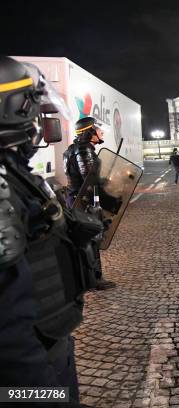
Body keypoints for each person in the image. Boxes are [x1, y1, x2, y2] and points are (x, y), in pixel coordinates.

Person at [0, 56, 102, 406]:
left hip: (49, 339)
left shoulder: (14, 174)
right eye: (35, 110)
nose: (39, 123)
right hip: (32, 360)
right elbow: (7, 328)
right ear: (15, 111)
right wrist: (40, 392)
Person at [63, 116, 116, 290]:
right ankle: (95, 279)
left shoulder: (74, 148)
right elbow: (90, 179)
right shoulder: (84, 149)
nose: (101, 132)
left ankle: (87, 278)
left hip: (77, 199)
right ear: (89, 132)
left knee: (86, 240)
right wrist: (106, 181)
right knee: (92, 240)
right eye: (98, 129)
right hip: (84, 201)